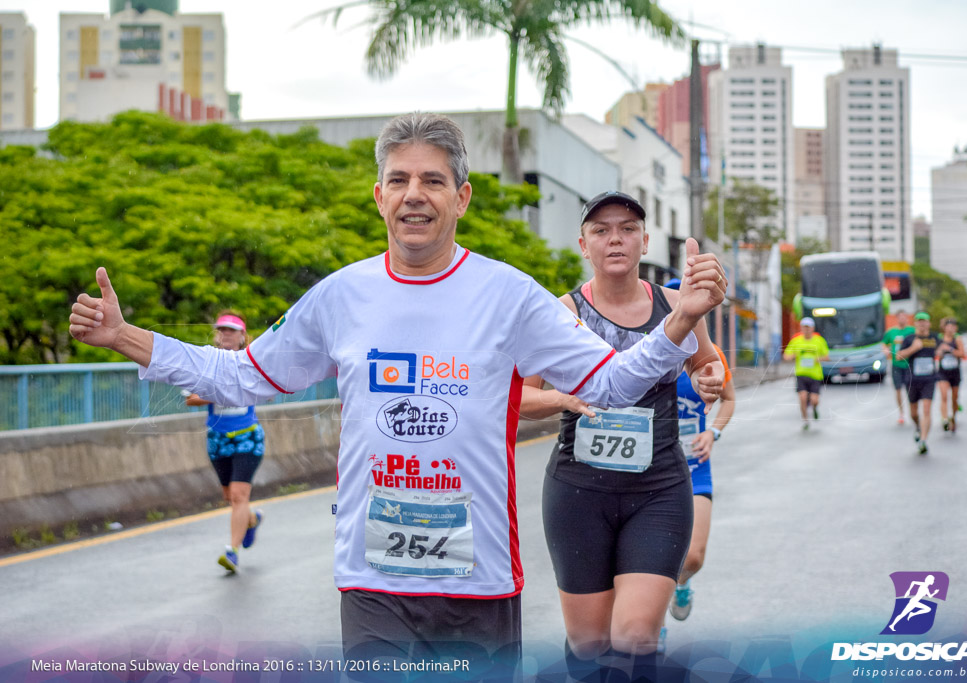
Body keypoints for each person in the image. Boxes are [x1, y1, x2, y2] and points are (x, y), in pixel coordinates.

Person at [68, 113, 728, 671]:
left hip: (478, 581)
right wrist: (127, 335)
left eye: (433, 180)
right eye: (400, 180)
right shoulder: (339, 297)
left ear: (462, 197)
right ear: (378, 196)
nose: (416, 193)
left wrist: (680, 320)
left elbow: (610, 382)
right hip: (372, 578)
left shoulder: (510, 297)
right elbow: (238, 376)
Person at [516, 192, 725, 681]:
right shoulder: (560, 313)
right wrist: (564, 400)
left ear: (645, 241)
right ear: (584, 245)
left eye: (628, 228)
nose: (616, 238)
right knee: (590, 646)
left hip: (657, 490)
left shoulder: (676, 303)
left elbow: (706, 361)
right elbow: (520, 400)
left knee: (634, 639)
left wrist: (709, 379)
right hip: (578, 492)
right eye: (602, 230)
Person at [182, 312, 265, 573]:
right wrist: (222, 389)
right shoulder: (205, 364)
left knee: (240, 495)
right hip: (217, 438)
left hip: (248, 437)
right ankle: (251, 520)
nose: (226, 334)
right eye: (222, 330)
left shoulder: (252, 362)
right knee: (230, 496)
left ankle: (232, 553)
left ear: (243, 336)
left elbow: (266, 388)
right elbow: (191, 398)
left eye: (232, 330)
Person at [664, 328, 735, 622]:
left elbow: (729, 399)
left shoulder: (708, 354)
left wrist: (713, 431)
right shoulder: (645, 352)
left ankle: (681, 583)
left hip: (694, 465)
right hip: (652, 467)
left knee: (693, 555)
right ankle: (655, 620)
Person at [896, 312, 940, 455]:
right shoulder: (909, 339)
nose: (922, 324)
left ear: (928, 323)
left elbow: (943, 349)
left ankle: (923, 440)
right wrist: (913, 348)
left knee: (927, 410)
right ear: (915, 323)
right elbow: (898, 356)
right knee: (914, 413)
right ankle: (918, 427)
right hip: (912, 380)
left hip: (929, 380)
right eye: (919, 321)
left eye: (924, 321)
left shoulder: (934, 338)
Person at [783, 317, 830, 430]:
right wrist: (794, 355)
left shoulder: (819, 341)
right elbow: (786, 356)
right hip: (801, 374)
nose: (806, 329)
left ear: (812, 328)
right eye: (804, 327)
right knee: (802, 397)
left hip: (815, 375)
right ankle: (805, 420)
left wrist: (817, 359)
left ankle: (814, 408)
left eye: (808, 327)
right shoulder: (796, 341)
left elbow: (827, 357)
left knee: (814, 400)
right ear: (802, 328)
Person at [882, 311, 916, 425]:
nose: (903, 319)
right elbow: (884, 343)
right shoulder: (891, 332)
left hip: (909, 365)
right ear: (897, 318)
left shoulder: (912, 331)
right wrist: (886, 350)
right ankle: (901, 413)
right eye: (900, 317)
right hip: (896, 364)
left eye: (904, 317)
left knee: (909, 389)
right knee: (898, 389)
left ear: (907, 318)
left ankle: (912, 411)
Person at [935, 317, 966, 434]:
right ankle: (944, 420)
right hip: (943, 372)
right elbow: (936, 353)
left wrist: (950, 350)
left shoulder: (957, 339)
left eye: (953, 327)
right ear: (944, 328)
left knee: (954, 398)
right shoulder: (940, 339)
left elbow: (963, 354)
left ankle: (953, 417)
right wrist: (941, 352)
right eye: (948, 326)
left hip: (955, 372)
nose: (951, 329)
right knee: (943, 396)